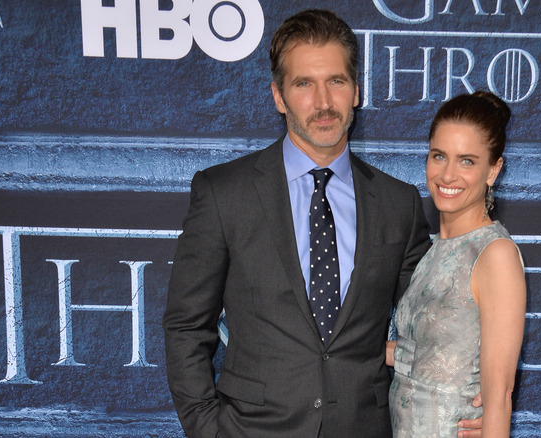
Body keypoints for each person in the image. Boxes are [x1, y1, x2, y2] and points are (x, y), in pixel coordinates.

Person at [163, 9, 483, 438]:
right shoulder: (225, 193)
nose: (323, 102)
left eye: (336, 81)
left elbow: (431, 326)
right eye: (303, 84)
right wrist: (208, 429)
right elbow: (186, 325)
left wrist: (471, 399)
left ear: (355, 91)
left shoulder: (397, 203)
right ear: (279, 96)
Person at [388, 91, 527, 437]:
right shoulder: (433, 250)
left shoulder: (495, 255)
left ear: (493, 170)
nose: (447, 175)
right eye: (439, 156)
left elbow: (499, 397)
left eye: (467, 161)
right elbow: (420, 356)